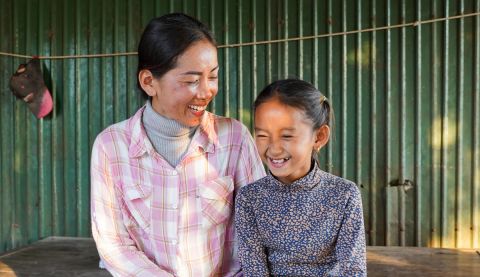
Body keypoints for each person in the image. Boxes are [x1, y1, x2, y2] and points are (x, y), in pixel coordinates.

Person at [90, 13, 265, 276]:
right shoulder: (111, 147)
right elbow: (114, 246)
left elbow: (259, 232)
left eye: (213, 77)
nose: (206, 91)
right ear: (149, 82)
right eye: (191, 80)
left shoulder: (234, 138)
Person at [235, 79, 367, 276]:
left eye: (287, 136)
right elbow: (255, 269)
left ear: (319, 137)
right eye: (262, 135)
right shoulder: (249, 198)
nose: (274, 148)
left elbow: (353, 269)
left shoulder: (344, 195)